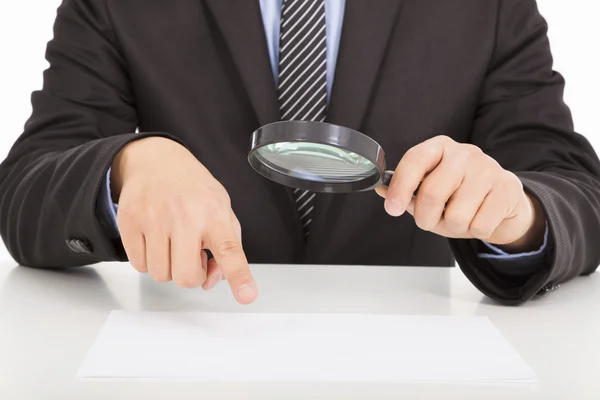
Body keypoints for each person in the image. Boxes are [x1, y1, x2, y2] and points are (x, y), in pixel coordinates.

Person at [1, 0, 599, 306]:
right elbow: (24, 187)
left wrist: (518, 216)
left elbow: (575, 189)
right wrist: (125, 167)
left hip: (413, 370)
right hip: (190, 359)